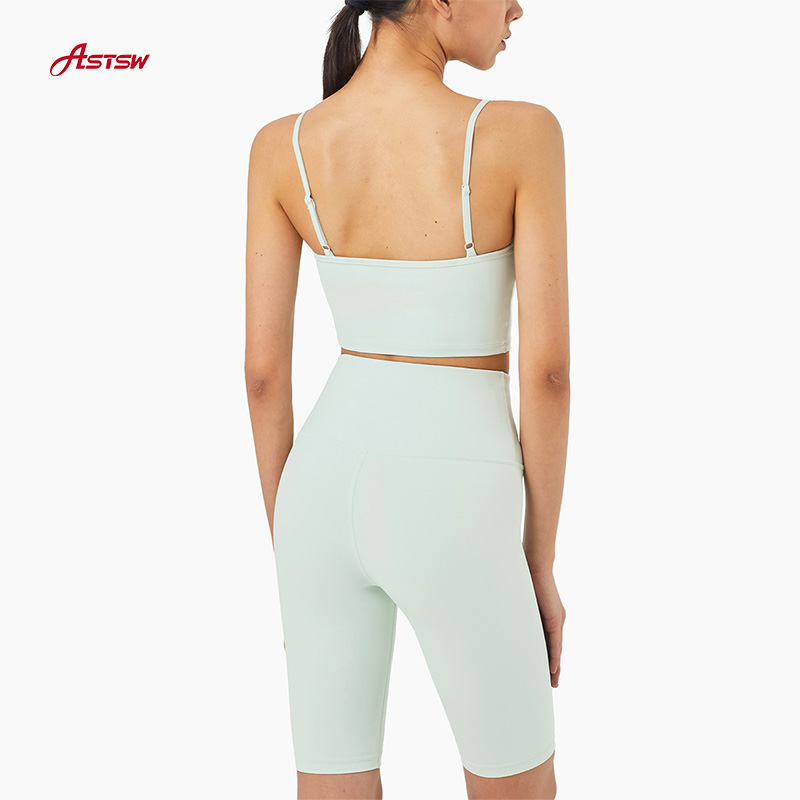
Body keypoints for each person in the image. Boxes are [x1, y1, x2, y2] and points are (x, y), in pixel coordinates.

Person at [244, 1, 569, 797]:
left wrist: (292, 551)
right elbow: (549, 372)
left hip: (317, 490)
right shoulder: (521, 133)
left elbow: (262, 375)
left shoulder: (283, 145)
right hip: (456, 487)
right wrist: (537, 562)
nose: (518, 8)